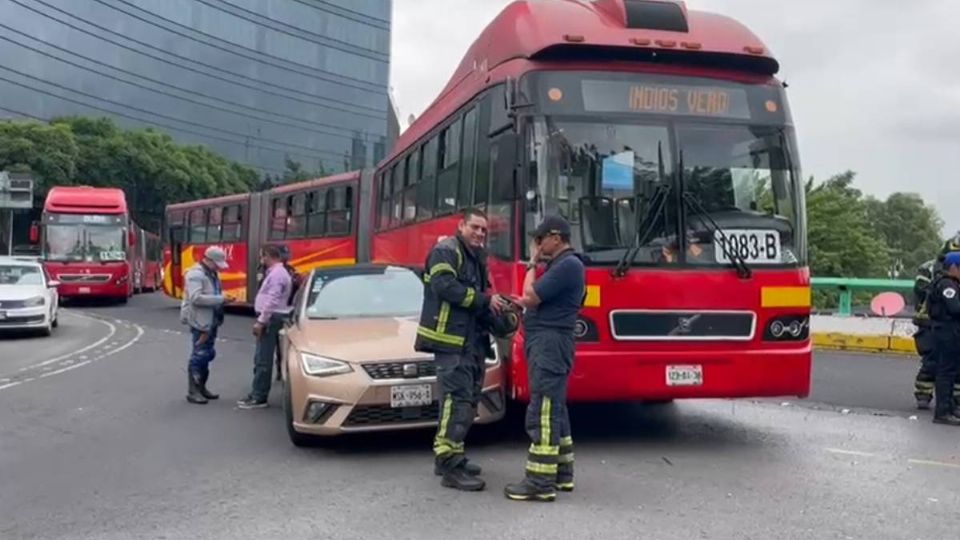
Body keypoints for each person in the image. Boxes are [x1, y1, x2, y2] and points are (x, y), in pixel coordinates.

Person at [415, 208, 508, 492]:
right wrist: (483, 300)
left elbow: (482, 297)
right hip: (450, 342)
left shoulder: (476, 257)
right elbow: (444, 286)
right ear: (461, 226)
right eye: (475, 227)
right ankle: (449, 466)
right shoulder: (446, 250)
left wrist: (497, 310)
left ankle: (452, 455)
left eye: (484, 230)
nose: (480, 233)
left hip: (470, 343)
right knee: (455, 403)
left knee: (466, 404)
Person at [504, 215, 585, 502]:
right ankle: (562, 475)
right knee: (555, 409)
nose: (538, 245)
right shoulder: (563, 266)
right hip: (550, 342)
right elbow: (532, 299)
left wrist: (530, 262)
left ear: (556, 237)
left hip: (550, 344)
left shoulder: (567, 265)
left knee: (544, 411)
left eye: (541, 239)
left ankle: (540, 482)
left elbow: (531, 294)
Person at [237, 244, 293, 410]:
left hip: (271, 318)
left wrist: (261, 321)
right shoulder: (278, 273)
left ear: (269, 256)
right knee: (264, 357)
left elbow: (273, 299)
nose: (261, 260)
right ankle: (257, 393)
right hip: (274, 317)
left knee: (263, 359)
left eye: (262, 256)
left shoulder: (277, 275)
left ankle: (259, 396)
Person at [179, 245, 232, 405]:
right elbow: (196, 298)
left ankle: (201, 387)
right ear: (207, 260)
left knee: (207, 353)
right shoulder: (195, 274)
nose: (219, 267)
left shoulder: (212, 273)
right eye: (216, 263)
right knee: (200, 353)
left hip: (211, 319)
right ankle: (193, 391)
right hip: (200, 321)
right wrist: (221, 299)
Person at [925, 250, 960, 425]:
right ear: (953, 267)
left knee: (952, 371)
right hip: (946, 332)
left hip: (951, 332)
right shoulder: (947, 285)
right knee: (945, 372)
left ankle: (950, 407)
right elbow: (955, 308)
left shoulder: (951, 283)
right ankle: (942, 412)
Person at [912, 258, 938, 409]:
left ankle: (954, 399)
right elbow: (920, 290)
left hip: (951, 321)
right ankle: (923, 394)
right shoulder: (930, 267)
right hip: (929, 322)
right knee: (931, 360)